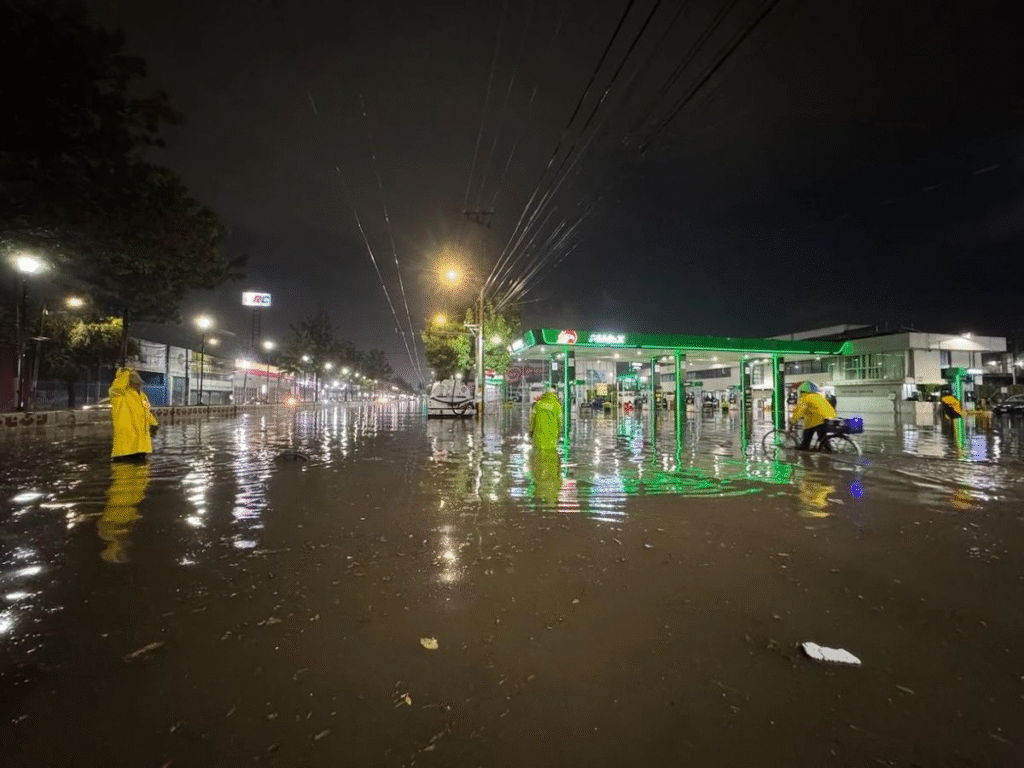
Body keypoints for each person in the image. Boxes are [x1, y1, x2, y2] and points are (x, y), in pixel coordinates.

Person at [109, 368, 159, 461]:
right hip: (125, 449)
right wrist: (126, 372)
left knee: (142, 474)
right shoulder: (119, 394)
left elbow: (145, 412)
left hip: (142, 447)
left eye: (138, 383)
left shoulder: (142, 396)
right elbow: (118, 386)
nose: (138, 385)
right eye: (135, 382)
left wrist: (154, 423)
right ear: (127, 381)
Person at [790, 381, 836, 451]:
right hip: (829, 416)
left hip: (817, 418)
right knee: (822, 436)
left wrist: (793, 420)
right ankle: (829, 449)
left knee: (807, 433)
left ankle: (804, 449)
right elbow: (811, 408)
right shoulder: (818, 396)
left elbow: (799, 410)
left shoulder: (805, 397)